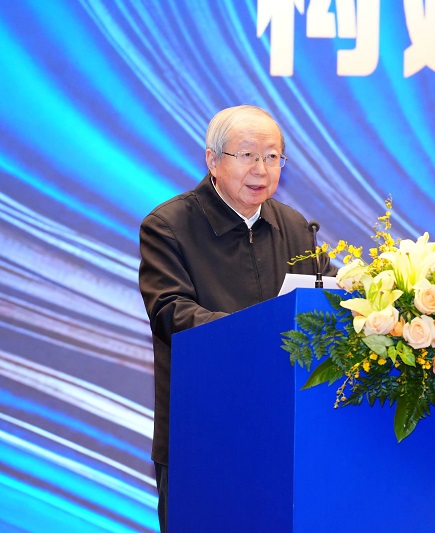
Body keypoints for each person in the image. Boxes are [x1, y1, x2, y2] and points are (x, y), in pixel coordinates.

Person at [138, 104, 335, 532]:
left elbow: (327, 304)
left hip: (286, 432)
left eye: (272, 156)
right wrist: (254, 334)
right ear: (213, 159)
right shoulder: (168, 226)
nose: (261, 169)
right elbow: (169, 311)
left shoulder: (296, 228)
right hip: (203, 432)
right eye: (247, 155)